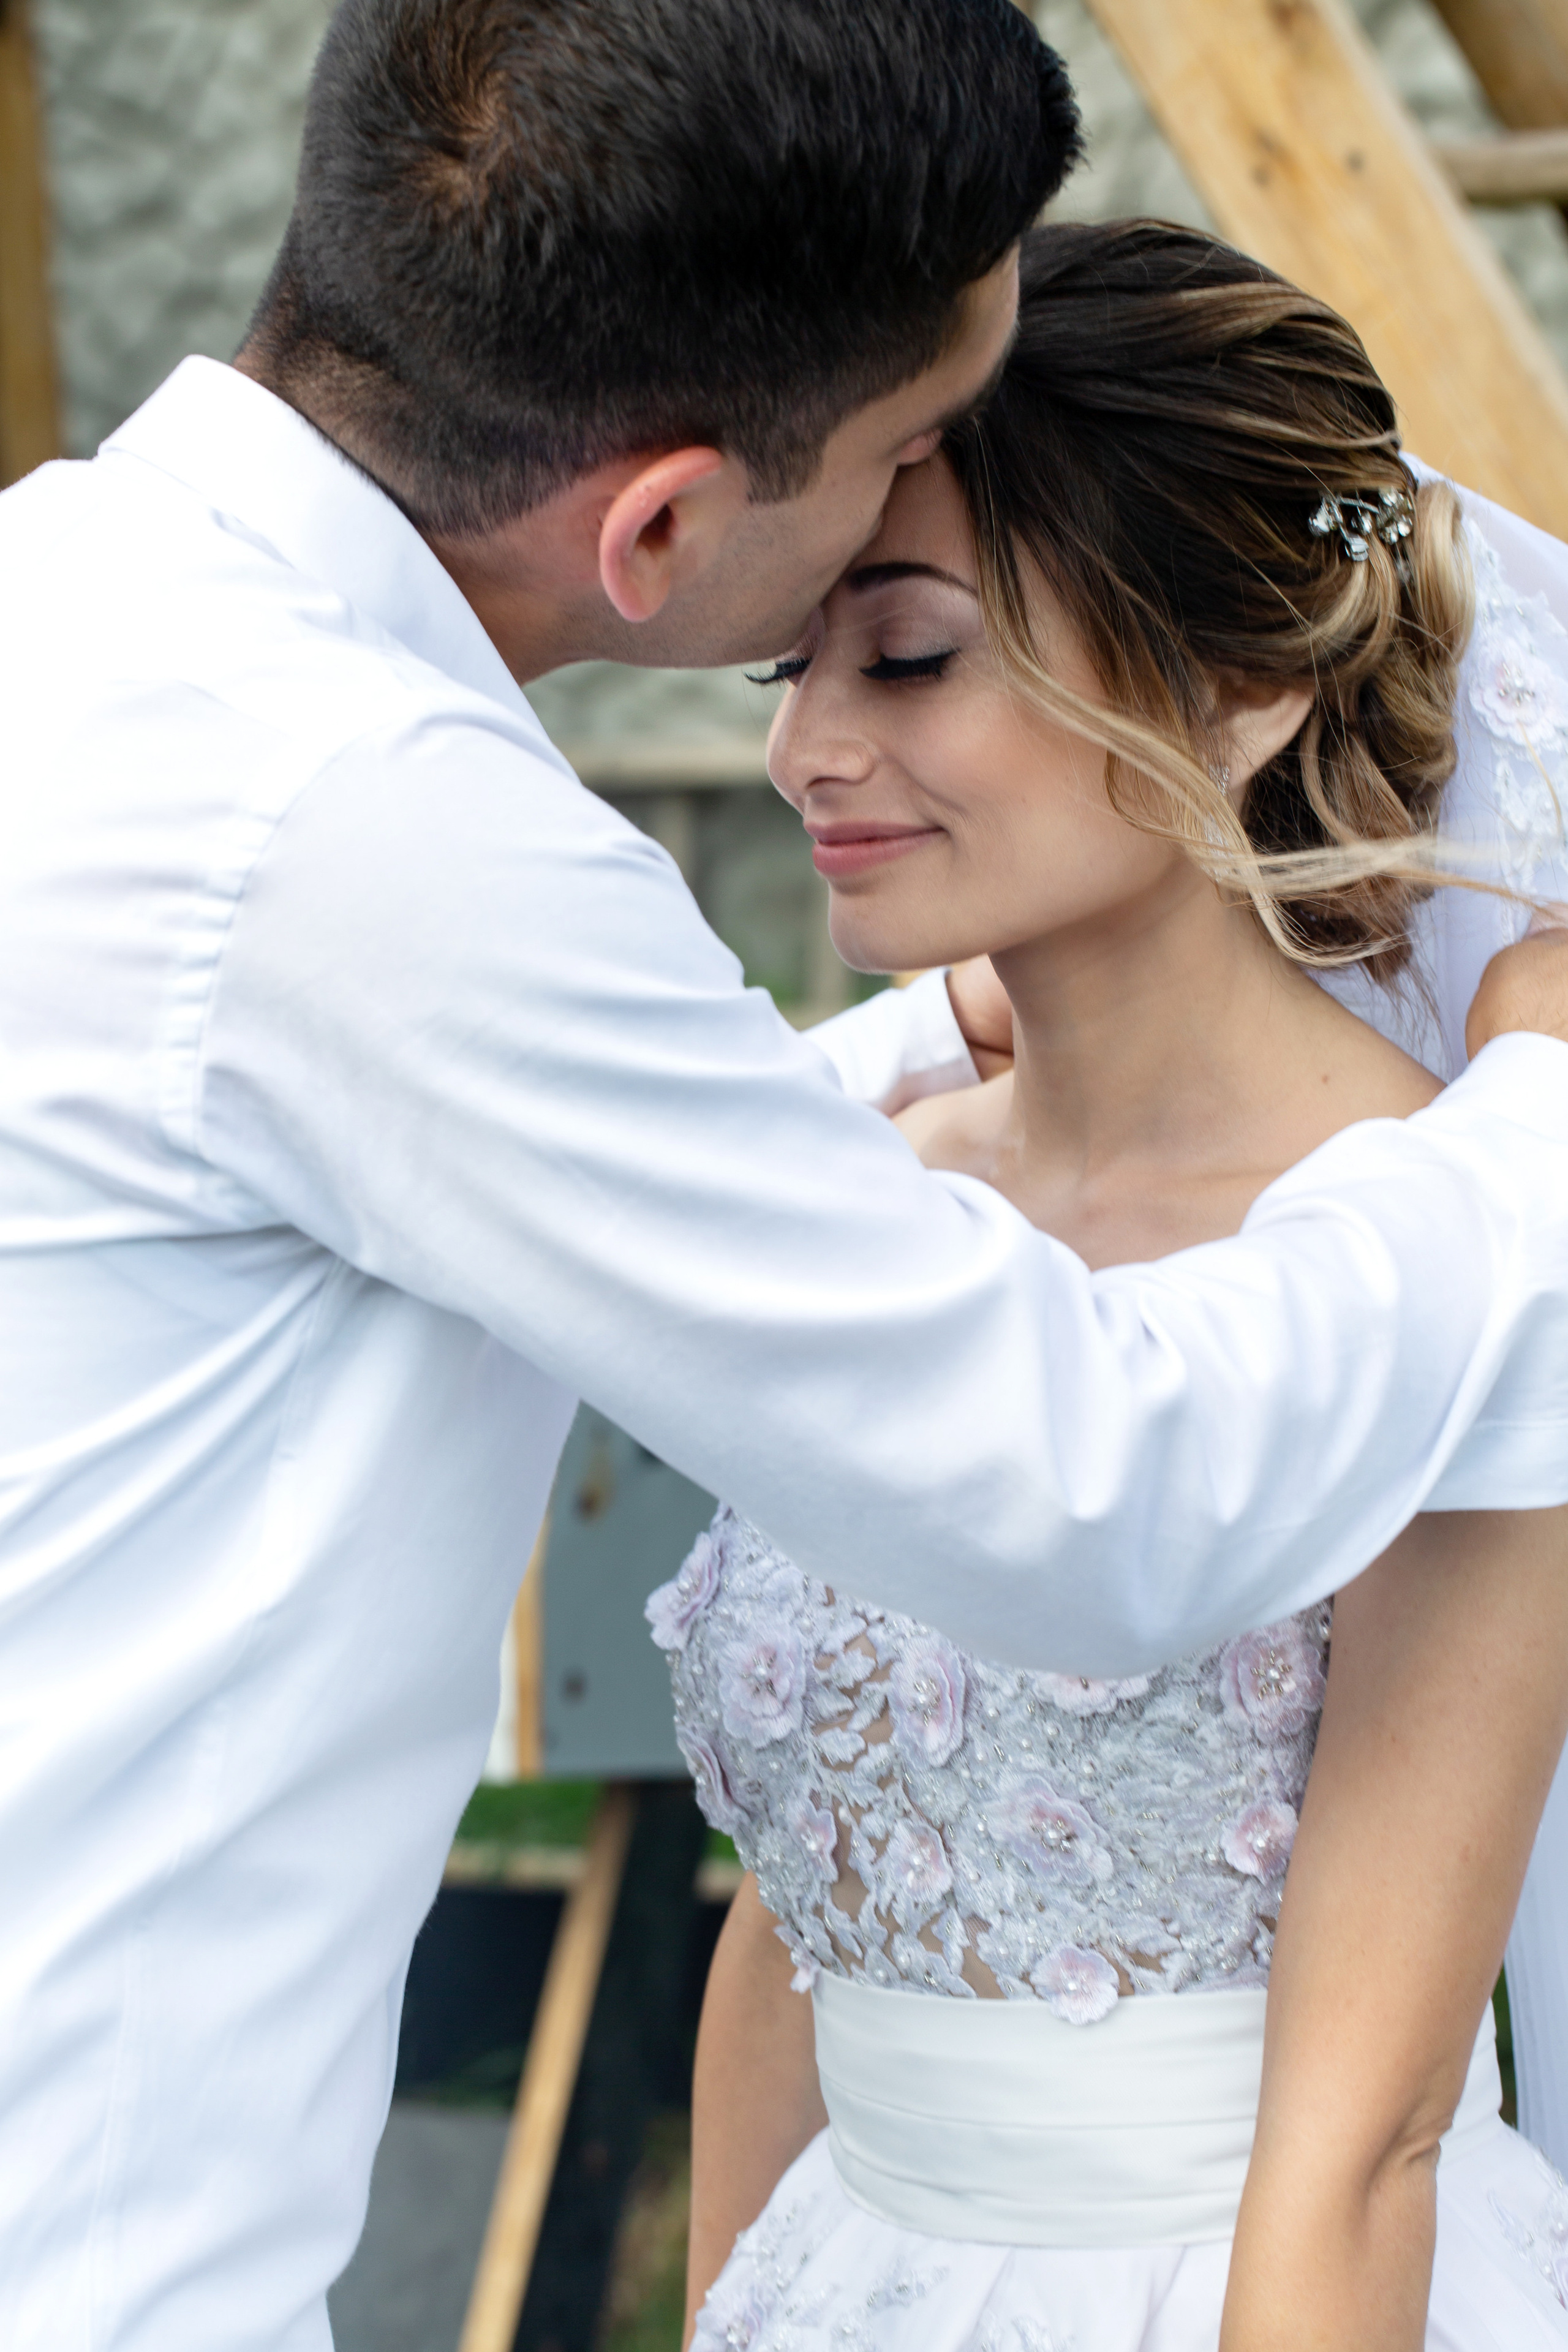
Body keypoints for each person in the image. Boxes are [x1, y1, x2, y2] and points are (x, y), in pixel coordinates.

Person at [2, 5, 1568, 2345]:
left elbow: (603, 1167)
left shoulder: (80, 612)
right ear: (662, 522)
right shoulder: (375, 840)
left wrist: (999, 1012)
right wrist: (1536, 1096)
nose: (827, 736)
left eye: (921, 655)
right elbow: (1088, 1483)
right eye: (917, 445)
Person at [663, 222, 1568, 2352]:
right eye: (788, 665)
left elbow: (1372, 2139)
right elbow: (804, 1911)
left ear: (1241, 686)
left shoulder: (1464, 1254)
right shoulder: (874, 1187)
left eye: (905, 659)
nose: (805, 748)